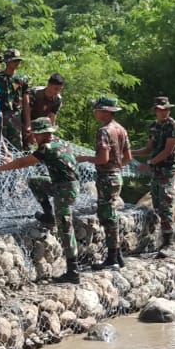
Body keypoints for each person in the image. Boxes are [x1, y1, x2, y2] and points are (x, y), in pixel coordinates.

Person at [0, 117, 81, 283]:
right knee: (35, 181)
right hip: (64, 185)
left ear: (44, 134)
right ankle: (48, 215)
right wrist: (12, 163)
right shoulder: (60, 143)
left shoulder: (46, 148)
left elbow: (24, 162)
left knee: (65, 226)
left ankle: (73, 271)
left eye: (36, 134)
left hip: (65, 190)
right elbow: (31, 161)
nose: (34, 138)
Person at [76, 96, 133, 270]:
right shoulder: (121, 129)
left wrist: (85, 158)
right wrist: (116, 169)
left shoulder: (105, 131)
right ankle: (117, 256)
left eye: (97, 109)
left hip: (107, 178)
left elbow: (102, 158)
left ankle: (112, 259)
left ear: (105, 111)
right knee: (111, 216)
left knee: (107, 217)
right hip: (116, 176)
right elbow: (128, 157)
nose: (95, 112)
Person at [134, 95, 175, 255]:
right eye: (161, 110)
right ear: (155, 110)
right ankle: (159, 240)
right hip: (156, 171)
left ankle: (169, 244)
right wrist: (128, 153)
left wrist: (149, 163)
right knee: (157, 205)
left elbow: (168, 150)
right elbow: (148, 149)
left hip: (169, 171)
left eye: (166, 109)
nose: (164, 112)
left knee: (166, 203)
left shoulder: (173, 126)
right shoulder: (154, 126)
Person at [0, 49, 29, 148]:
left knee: (16, 146)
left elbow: (26, 101)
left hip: (16, 117)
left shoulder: (22, 79)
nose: (17, 63)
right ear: (7, 62)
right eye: (14, 61)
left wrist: (27, 123)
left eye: (18, 60)